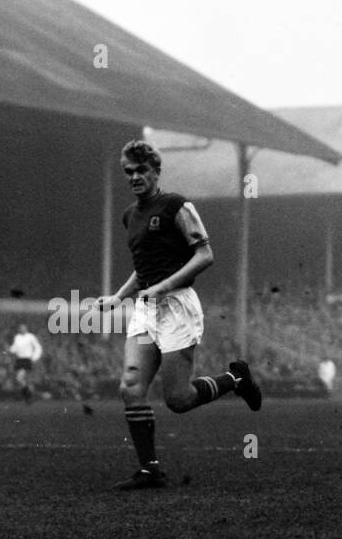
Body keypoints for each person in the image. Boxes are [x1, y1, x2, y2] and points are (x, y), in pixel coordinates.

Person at [96, 140, 262, 490]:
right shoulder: (130, 215)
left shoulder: (176, 205)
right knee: (130, 387)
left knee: (178, 400)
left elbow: (205, 255)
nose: (135, 177)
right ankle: (150, 470)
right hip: (146, 311)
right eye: (128, 172)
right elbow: (143, 269)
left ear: (156, 171)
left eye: (141, 170)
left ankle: (235, 379)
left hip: (177, 308)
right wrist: (119, 296)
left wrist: (163, 286)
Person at [7, 323, 43, 403]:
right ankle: (28, 396)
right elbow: (15, 348)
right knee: (21, 380)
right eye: (20, 328)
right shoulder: (17, 337)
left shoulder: (31, 337)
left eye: (23, 328)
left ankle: (28, 396)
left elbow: (38, 347)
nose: (21, 329)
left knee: (20, 378)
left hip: (27, 359)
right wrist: (10, 350)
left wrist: (34, 357)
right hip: (19, 359)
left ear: (26, 329)